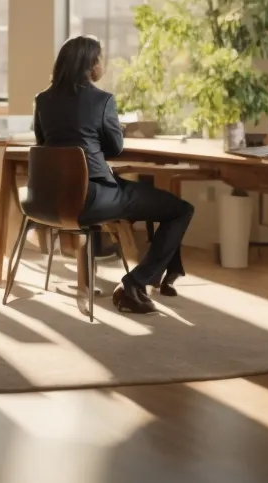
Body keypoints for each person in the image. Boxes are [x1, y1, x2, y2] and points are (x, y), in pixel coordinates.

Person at [32, 35, 192, 315]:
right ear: (91, 65)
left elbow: (44, 143)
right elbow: (115, 147)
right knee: (180, 209)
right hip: (93, 199)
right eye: (100, 59)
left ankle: (167, 271)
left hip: (51, 201)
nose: (102, 64)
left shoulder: (43, 100)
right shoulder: (102, 100)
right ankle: (135, 282)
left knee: (155, 201)